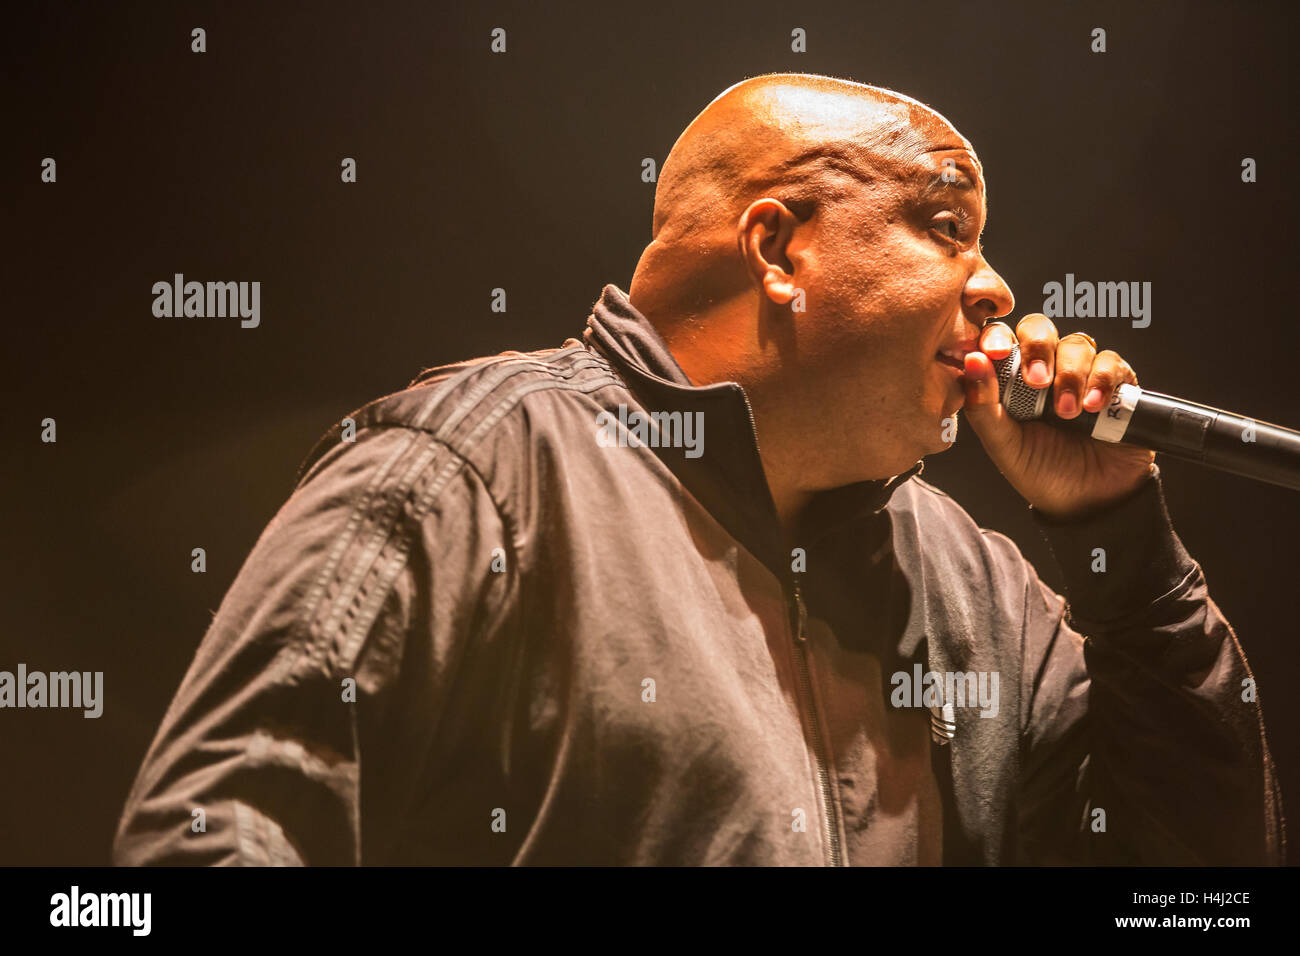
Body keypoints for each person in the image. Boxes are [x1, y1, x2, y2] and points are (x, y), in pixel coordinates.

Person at [113, 72, 1285, 865]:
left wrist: (1125, 550)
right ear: (779, 247)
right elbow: (210, 833)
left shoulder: (981, 594)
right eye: (945, 226)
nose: (996, 288)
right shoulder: (481, 466)